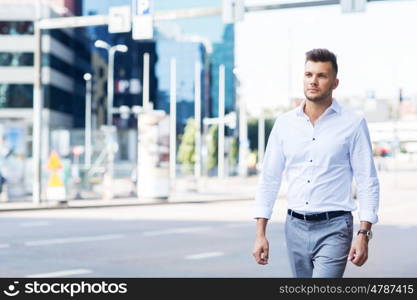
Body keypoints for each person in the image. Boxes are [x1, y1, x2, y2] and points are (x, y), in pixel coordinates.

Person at [252, 49, 379, 278]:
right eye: (309, 74)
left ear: (335, 82)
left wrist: (364, 233)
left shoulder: (353, 124)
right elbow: (269, 178)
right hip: (295, 227)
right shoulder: (284, 124)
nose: (313, 81)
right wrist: (260, 233)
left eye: (321, 75)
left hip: (335, 227)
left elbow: (367, 180)